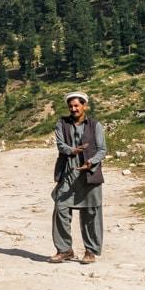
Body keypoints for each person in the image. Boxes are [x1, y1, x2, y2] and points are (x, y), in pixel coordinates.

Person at [50, 90, 106, 264]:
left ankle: (90, 251)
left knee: (91, 212)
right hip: (68, 172)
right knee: (61, 208)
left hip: (89, 173)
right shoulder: (62, 123)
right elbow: (60, 144)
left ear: (84, 106)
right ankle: (64, 250)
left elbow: (102, 150)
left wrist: (91, 162)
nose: (73, 109)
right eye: (71, 106)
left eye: (76, 105)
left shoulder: (95, 125)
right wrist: (71, 151)